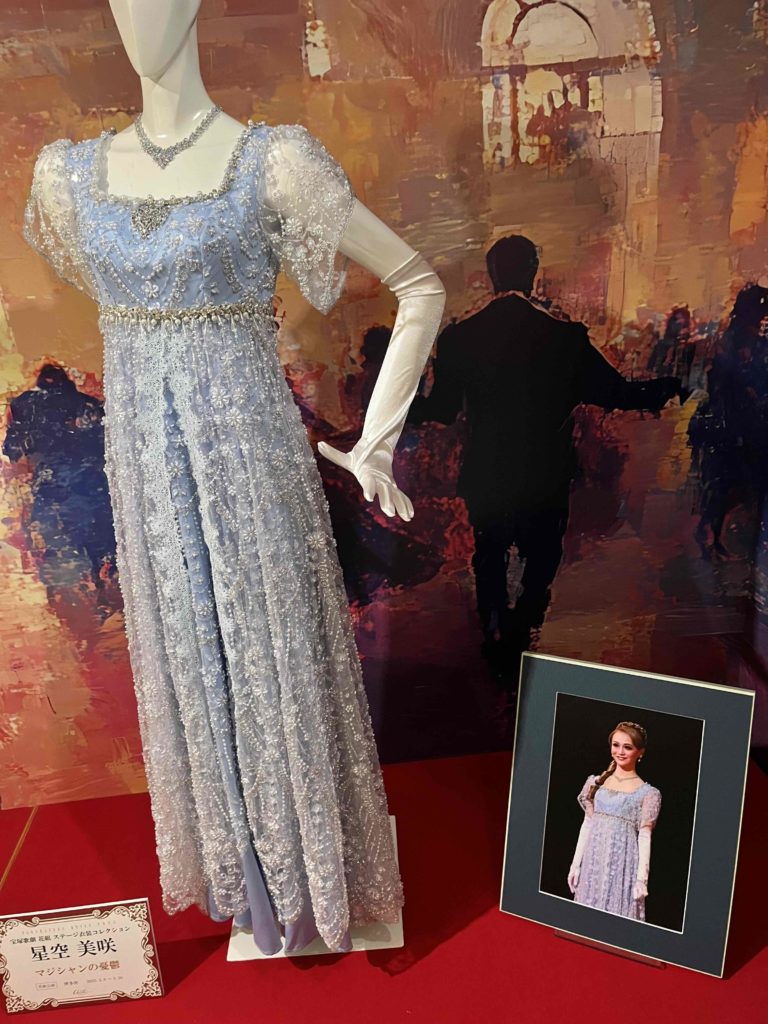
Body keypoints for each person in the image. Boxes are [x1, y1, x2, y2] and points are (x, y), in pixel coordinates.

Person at [22, 0, 445, 956]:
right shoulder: (68, 177)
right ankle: (246, 878)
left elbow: (420, 283)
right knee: (188, 650)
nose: (136, 13)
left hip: (251, 458)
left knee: (274, 649)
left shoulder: (272, 163)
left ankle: (313, 874)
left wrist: (376, 442)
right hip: (147, 466)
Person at [409, 235, 682, 674]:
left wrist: (394, 405)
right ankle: (524, 626)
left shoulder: (460, 338)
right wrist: (669, 386)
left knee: (489, 554)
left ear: (492, 274)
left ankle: (495, 631)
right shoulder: (563, 337)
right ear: (532, 273)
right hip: (544, 472)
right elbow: (616, 393)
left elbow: (440, 410)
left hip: (488, 471)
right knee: (542, 557)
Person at [567, 721, 662, 921]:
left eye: (627, 747)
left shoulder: (648, 793)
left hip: (623, 863)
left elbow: (645, 837)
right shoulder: (595, 783)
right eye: (616, 745)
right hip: (594, 859)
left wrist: (641, 879)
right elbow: (587, 824)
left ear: (640, 752)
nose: (620, 751)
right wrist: (575, 864)